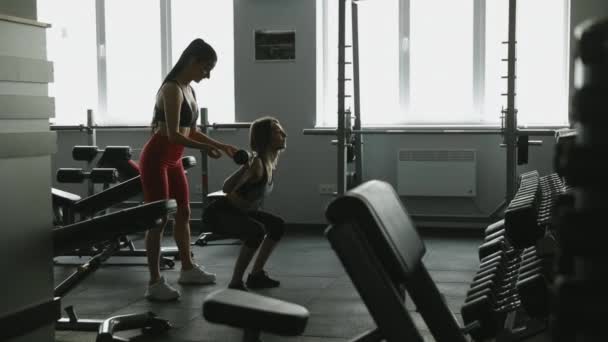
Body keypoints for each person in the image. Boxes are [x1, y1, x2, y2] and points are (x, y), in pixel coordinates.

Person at [139, 38, 238, 301]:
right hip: (157, 157)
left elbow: (190, 131)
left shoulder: (189, 89)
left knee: (183, 212)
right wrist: (206, 149)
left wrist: (221, 145)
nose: (207, 75)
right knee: (158, 221)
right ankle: (154, 282)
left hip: (173, 159)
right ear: (193, 61)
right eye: (206, 68)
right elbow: (173, 135)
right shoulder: (171, 89)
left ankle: (187, 268)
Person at [203, 116, 287, 291]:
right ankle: (235, 282)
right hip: (220, 214)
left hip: (242, 212)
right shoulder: (257, 164)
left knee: (277, 225)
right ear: (266, 138)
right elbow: (226, 188)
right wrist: (244, 168)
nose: (284, 134)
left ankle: (256, 275)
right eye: (278, 132)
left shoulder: (269, 162)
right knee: (256, 231)